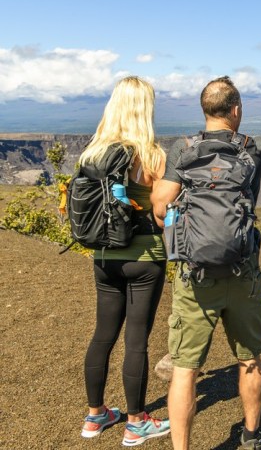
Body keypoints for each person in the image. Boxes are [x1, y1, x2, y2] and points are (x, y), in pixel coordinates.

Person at [152, 76, 261, 450]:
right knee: (250, 359)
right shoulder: (253, 150)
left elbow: (161, 206)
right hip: (242, 272)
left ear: (205, 110)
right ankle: (250, 436)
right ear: (236, 110)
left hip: (195, 278)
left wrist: (188, 234)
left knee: (185, 369)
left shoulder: (182, 151)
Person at [80, 76, 171, 446]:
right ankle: (136, 422)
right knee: (136, 341)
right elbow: (163, 213)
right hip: (144, 258)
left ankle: (95, 416)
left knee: (102, 335)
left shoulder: (92, 153)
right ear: (144, 109)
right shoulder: (153, 155)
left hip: (103, 256)